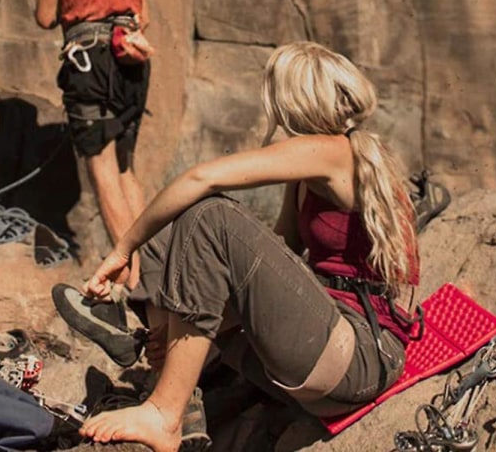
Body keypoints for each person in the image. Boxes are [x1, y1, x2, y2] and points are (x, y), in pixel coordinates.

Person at [79, 41, 422, 452]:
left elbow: (201, 178)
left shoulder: (331, 151)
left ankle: (163, 414)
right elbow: (277, 266)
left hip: (359, 359)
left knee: (209, 216)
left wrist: (122, 249)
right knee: (168, 234)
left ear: (288, 102)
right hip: (319, 350)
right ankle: (174, 383)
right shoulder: (309, 174)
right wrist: (177, 319)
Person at [35, 0, 152, 288]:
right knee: (125, 168)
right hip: (133, 57)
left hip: (90, 64)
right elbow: (145, 15)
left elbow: (46, 17)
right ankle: (150, 272)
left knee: (102, 171)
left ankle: (128, 283)